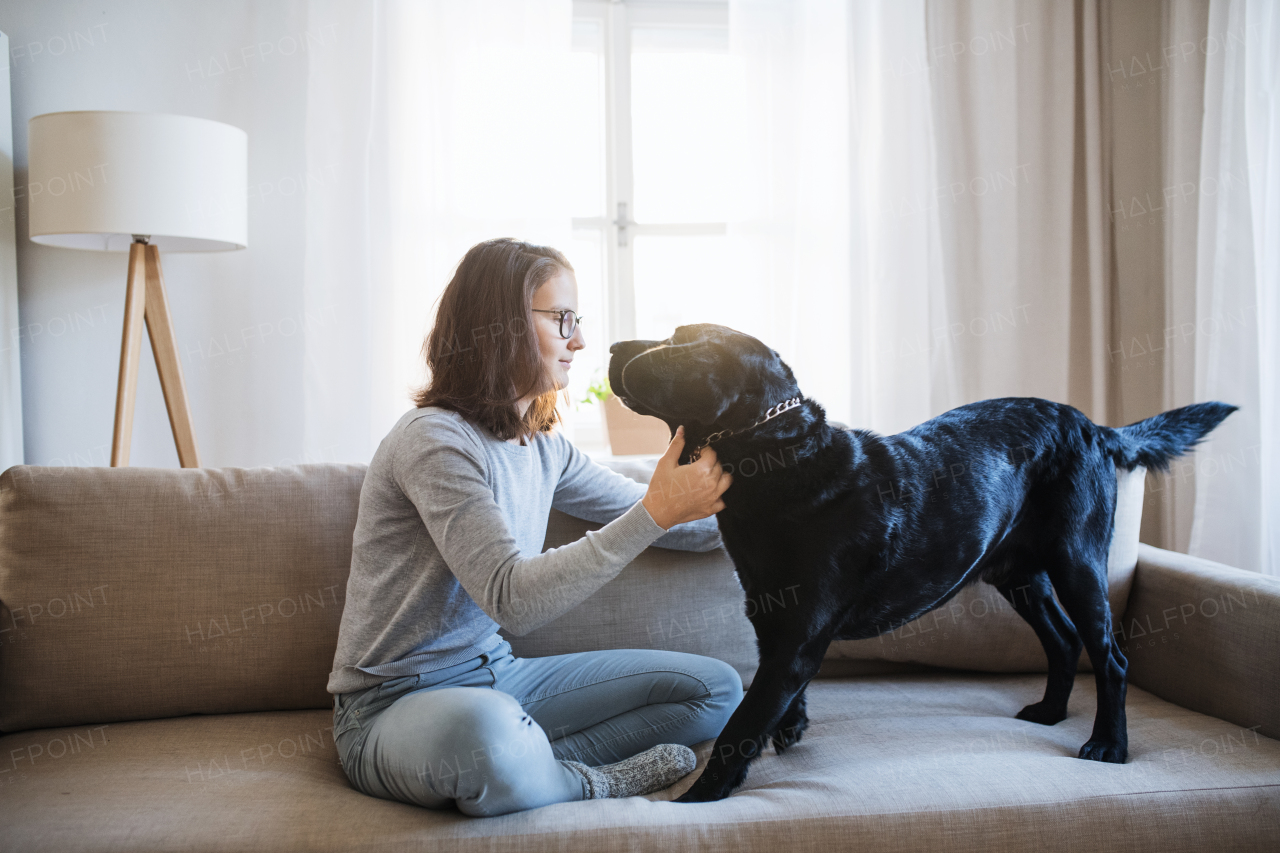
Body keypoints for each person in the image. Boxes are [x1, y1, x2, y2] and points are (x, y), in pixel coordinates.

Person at [328, 237, 740, 817]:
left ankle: (533, 768)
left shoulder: (545, 449)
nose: (580, 339)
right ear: (502, 327)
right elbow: (511, 599)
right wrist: (655, 511)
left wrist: (777, 497)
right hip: (393, 704)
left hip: (499, 677)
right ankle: (582, 782)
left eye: (579, 319)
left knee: (716, 690)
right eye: (562, 318)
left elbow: (685, 526)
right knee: (487, 733)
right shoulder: (434, 441)